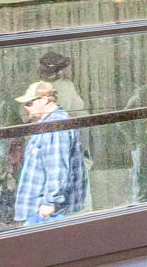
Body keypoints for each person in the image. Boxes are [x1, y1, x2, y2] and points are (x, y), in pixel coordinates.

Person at [10, 84, 90, 225]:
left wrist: (50, 202)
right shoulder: (48, 123)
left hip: (48, 212)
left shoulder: (54, 126)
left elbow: (57, 167)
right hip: (43, 209)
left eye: (29, 103)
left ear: (45, 100)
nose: (26, 108)